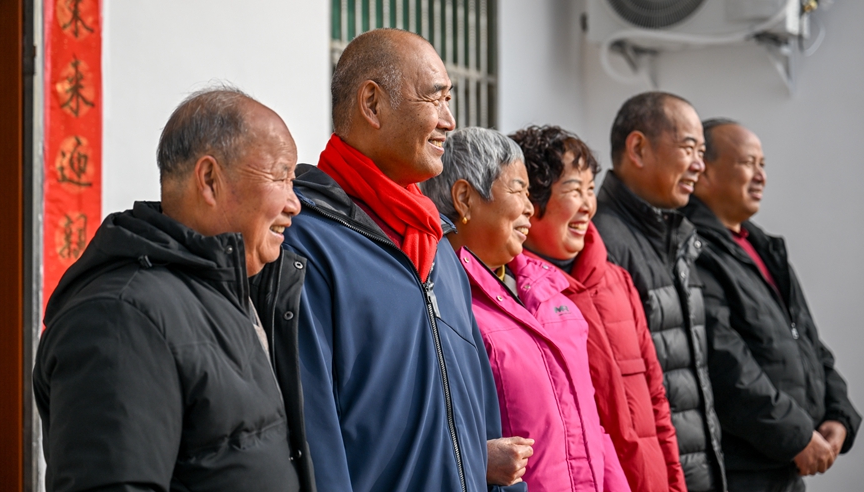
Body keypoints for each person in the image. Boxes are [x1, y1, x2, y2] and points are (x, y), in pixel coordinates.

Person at [278, 29, 526, 492]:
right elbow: (314, 437)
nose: (449, 121)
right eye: (435, 98)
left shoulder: (439, 247)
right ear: (372, 104)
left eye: (449, 100)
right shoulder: (305, 244)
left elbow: (481, 415)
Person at [33, 87, 314, 491]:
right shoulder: (120, 316)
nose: (294, 203)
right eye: (280, 177)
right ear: (210, 179)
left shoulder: (227, 297)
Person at [421, 126, 631, 492]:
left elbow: (592, 431)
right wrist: (479, 460)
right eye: (518, 190)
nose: (530, 208)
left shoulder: (554, 295)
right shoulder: (442, 306)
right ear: (465, 199)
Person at [680, 119, 862, 492]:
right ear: (704, 172)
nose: (761, 176)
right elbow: (726, 364)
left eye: (763, 164)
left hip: (788, 466)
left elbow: (808, 341)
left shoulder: (764, 247)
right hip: (742, 471)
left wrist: (839, 416)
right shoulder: (695, 249)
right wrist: (796, 436)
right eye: (748, 163)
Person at [510, 125, 687, 492]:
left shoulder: (617, 282)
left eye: (590, 190)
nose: (588, 205)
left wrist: (674, 483)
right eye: (574, 190)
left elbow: (657, 399)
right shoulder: (512, 295)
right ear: (531, 200)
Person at [592, 92, 726, 492]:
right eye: (689, 148)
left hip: (697, 471)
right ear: (638, 148)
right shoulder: (602, 243)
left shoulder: (678, 236)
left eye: (702, 152)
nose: (699, 165)